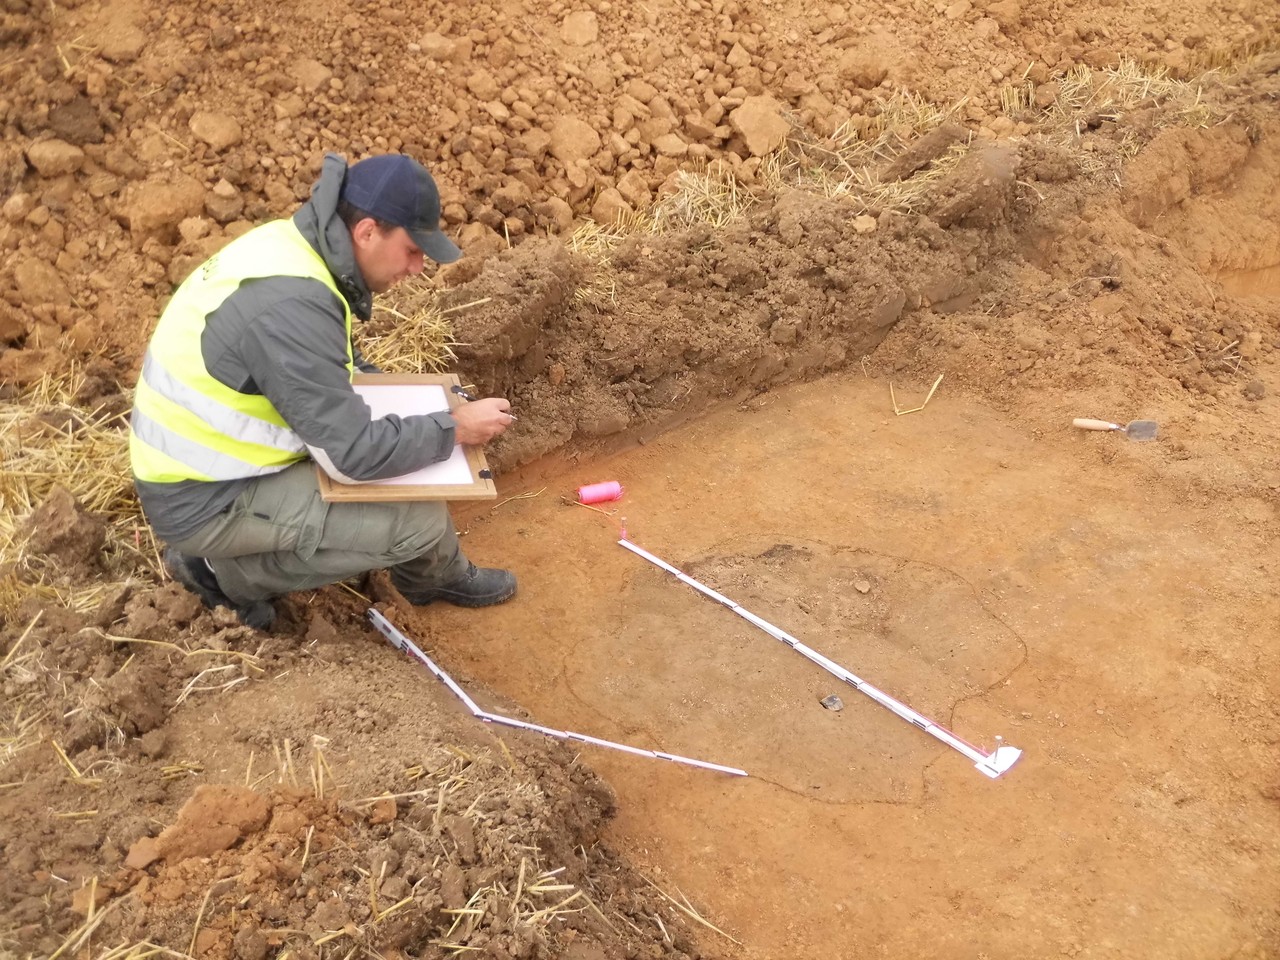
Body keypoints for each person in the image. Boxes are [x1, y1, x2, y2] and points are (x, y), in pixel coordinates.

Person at [128, 152, 516, 629]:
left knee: (408, 476)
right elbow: (351, 457)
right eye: (413, 250)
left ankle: (423, 566)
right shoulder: (293, 305)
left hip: (210, 467)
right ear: (367, 231)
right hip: (206, 497)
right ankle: (220, 574)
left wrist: (430, 407)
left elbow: (332, 368)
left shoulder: (296, 252)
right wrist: (451, 428)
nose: (418, 267)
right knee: (420, 520)